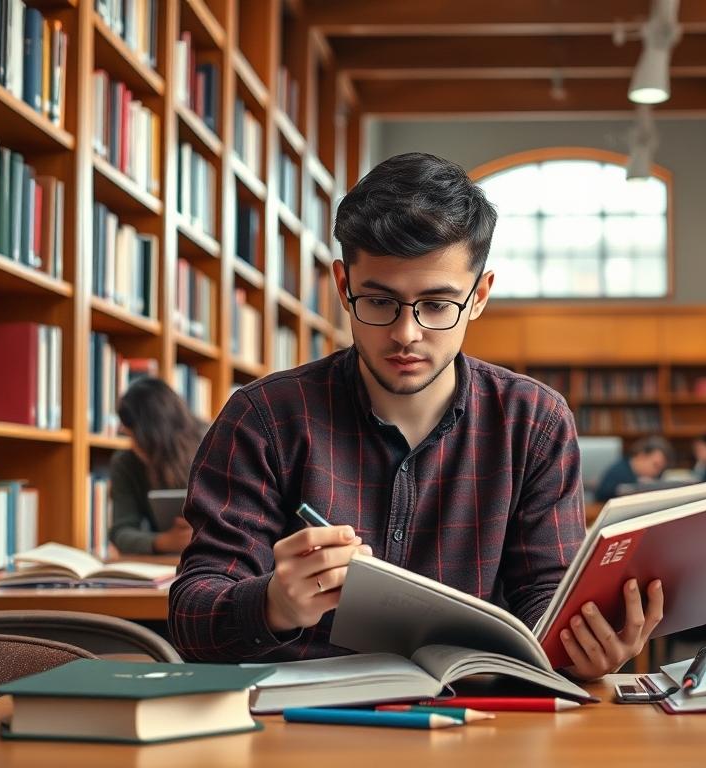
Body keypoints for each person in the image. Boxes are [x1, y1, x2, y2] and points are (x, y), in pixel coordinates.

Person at [169, 153, 663, 680]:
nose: (406, 333)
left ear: (479, 296)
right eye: (379, 302)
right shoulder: (264, 417)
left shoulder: (533, 423)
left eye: (436, 304)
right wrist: (272, 605)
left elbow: (546, 598)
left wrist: (583, 644)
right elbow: (191, 612)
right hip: (298, 730)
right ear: (343, 285)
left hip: (480, 725)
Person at [107, 378, 206, 555]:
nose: (134, 447)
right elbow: (121, 532)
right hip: (166, 561)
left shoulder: (214, 444)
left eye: (136, 438)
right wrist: (165, 542)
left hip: (218, 558)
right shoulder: (125, 463)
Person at [595, 435, 674, 503]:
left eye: (661, 468)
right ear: (641, 456)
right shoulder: (617, 472)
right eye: (655, 465)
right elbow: (601, 496)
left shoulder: (657, 476)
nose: (657, 472)